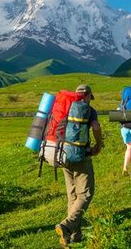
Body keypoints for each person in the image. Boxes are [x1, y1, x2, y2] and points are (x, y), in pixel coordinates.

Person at [55, 84, 103, 247]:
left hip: (62, 154)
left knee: (73, 195)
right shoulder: (89, 109)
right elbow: (96, 127)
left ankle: (74, 235)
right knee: (86, 194)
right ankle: (66, 225)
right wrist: (99, 143)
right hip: (80, 155)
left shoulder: (66, 106)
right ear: (88, 95)